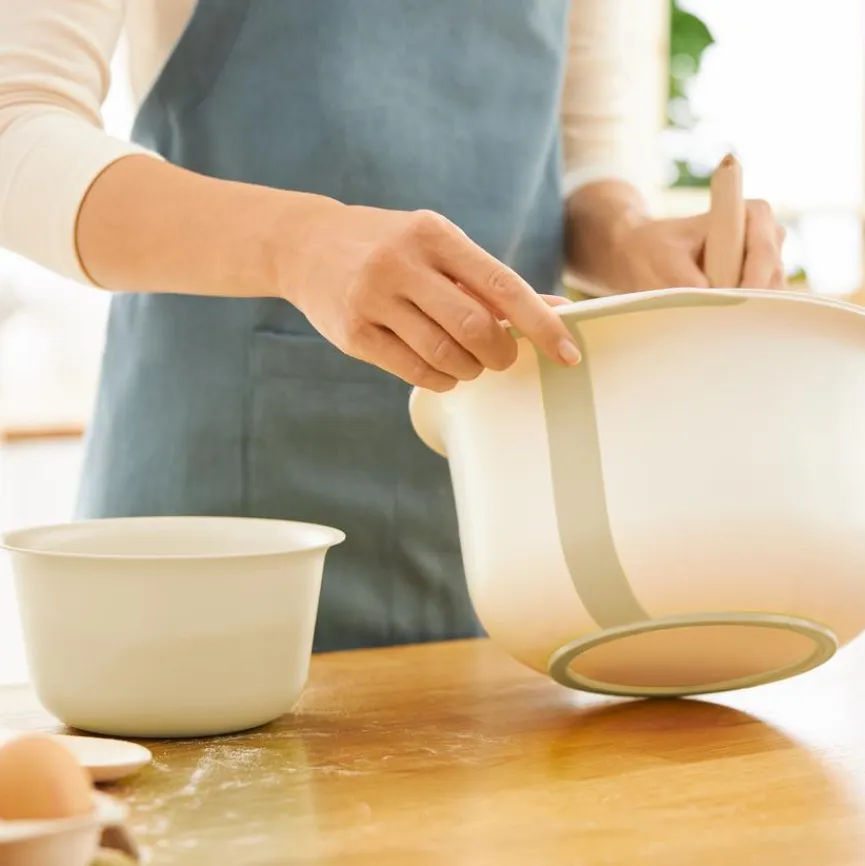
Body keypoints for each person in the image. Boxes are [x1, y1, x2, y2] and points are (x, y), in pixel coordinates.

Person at [0, 1, 785, 652]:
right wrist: (298, 243)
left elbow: (587, 154)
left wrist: (629, 236)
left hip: (504, 503)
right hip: (220, 503)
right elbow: (15, 122)